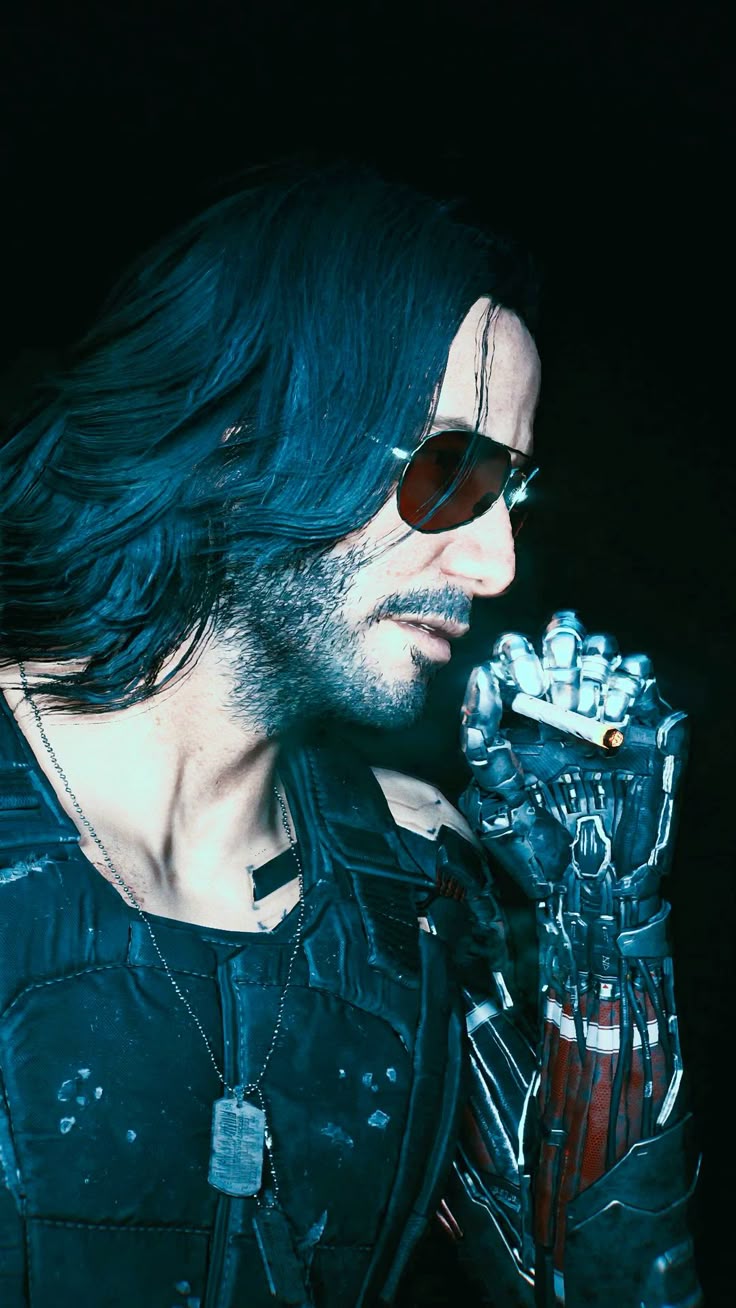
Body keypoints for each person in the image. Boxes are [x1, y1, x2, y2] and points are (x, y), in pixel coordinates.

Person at [0, 161, 700, 1307]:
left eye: (510, 493)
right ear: (239, 435)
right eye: (448, 472)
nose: (494, 563)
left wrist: (600, 917)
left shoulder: (416, 881)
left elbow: (594, 1291)